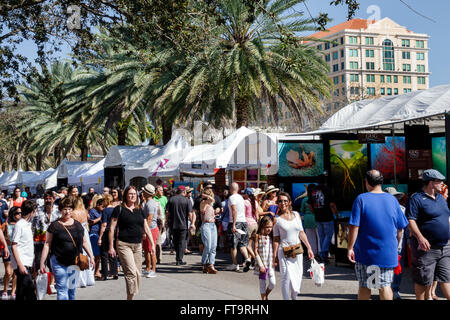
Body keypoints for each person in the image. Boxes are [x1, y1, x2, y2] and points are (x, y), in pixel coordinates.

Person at [347, 170, 409, 300]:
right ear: (381, 182)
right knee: (385, 286)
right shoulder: (392, 200)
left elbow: (354, 226)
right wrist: (395, 246)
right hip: (387, 252)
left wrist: (350, 248)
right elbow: (400, 229)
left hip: (365, 252)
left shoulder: (361, 199)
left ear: (367, 182)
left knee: (365, 285)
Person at [406, 169, 450, 300]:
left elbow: (446, 218)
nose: (442, 183)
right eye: (440, 181)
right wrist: (420, 238)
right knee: (423, 280)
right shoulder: (416, 198)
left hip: (445, 247)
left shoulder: (441, 198)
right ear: (431, 183)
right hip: (426, 249)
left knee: (446, 278)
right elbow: (410, 220)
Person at [39, 197, 95, 300]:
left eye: (69, 209)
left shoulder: (78, 225)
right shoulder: (54, 226)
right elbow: (47, 244)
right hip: (58, 262)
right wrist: (42, 263)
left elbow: (84, 242)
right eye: (65, 209)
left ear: (72, 210)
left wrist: (91, 257)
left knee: (72, 291)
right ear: (60, 210)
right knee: (62, 289)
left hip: (74, 262)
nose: (67, 211)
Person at [108, 186, 155, 300]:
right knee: (131, 273)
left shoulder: (139, 210)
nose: (133, 196)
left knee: (138, 273)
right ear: (125, 196)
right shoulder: (119, 209)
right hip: (124, 245)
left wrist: (152, 243)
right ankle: (130, 298)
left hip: (137, 245)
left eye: (134, 194)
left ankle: (131, 295)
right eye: (130, 194)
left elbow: (146, 227)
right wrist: (111, 247)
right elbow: (111, 228)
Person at [273, 192, 314, 300]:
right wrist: (274, 255)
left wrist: (309, 248)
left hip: (296, 250)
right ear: (278, 203)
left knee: (298, 275)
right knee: (286, 277)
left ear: (289, 202)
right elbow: (276, 239)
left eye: (285, 201)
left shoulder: (296, 215)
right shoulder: (276, 220)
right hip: (284, 251)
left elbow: (301, 232)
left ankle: (294, 297)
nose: (283, 203)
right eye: (280, 201)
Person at [31, 190, 60, 294]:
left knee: (53, 264)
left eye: (50, 198)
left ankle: (51, 284)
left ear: (54, 199)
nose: (48, 200)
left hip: (54, 242)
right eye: (46, 198)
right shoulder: (38, 211)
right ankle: (39, 285)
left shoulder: (58, 210)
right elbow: (32, 227)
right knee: (39, 264)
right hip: (39, 242)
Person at [10, 200, 37, 300]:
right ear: (32, 212)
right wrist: (20, 265)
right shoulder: (19, 225)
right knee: (30, 290)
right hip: (21, 263)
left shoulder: (27, 224)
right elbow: (14, 246)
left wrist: (32, 262)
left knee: (21, 291)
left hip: (27, 262)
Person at [428, 183, 449, 300]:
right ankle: (430, 293)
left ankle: (432, 292)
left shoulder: (444, 205)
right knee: (432, 271)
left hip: (444, 244)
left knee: (438, 272)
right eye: (446, 193)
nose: (447, 195)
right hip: (434, 245)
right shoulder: (438, 205)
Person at [308, 183, 338, 264]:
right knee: (328, 235)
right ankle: (322, 254)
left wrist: (315, 212)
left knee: (322, 236)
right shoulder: (327, 189)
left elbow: (309, 205)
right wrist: (336, 214)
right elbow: (332, 204)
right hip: (327, 216)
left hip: (318, 217)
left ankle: (323, 256)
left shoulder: (313, 191)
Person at [226, 182, 252, 272]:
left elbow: (234, 211)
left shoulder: (232, 198)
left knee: (233, 245)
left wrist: (233, 224)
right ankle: (247, 259)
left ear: (230, 189)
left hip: (235, 222)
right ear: (237, 189)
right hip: (243, 221)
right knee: (242, 244)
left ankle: (235, 264)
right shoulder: (241, 197)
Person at [167, 186, 195, 266]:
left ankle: (178, 257)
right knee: (182, 242)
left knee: (175, 241)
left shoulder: (171, 199)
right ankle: (179, 259)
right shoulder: (187, 200)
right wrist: (192, 223)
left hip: (173, 224)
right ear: (184, 192)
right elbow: (190, 214)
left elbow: (167, 212)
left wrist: (167, 221)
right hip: (183, 225)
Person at [141, 184, 160, 278]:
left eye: (144, 191)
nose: (142, 192)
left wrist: (145, 231)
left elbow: (149, 218)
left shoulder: (150, 203)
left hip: (151, 229)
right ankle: (148, 268)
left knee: (151, 250)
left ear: (147, 193)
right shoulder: (148, 202)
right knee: (146, 250)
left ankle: (153, 270)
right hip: (150, 228)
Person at [98, 194, 118, 281]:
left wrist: (100, 237)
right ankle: (114, 272)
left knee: (104, 253)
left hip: (107, 232)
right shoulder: (115, 210)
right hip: (115, 233)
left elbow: (104, 224)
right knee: (113, 252)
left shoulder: (105, 211)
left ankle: (105, 274)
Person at [254, 215, 275, 300]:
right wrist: (260, 265)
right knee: (262, 284)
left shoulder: (271, 237)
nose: (269, 229)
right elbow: (255, 251)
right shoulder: (258, 236)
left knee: (273, 283)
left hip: (270, 264)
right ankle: (263, 299)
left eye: (271, 227)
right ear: (262, 226)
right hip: (262, 264)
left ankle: (265, 295)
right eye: (267, 227)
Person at [1, 207, 20, 300]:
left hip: (18, 250)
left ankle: (13, 291)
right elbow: (1, 235)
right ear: (13, 214)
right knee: (8, 272)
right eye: (18, 213)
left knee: (15, 273)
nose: (20, 215)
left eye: (21, 213)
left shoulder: (21, 225)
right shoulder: (6, 224)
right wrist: (4, 246)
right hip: (7, 250)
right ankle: (5, 290)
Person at [199, 189, 219, 274]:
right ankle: (204, 263)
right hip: (206, 225)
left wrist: (216, 211)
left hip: (212, 225)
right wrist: (206, 196)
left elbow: (213, 201)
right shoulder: (203, 203)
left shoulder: (211, 205)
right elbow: (212, 200)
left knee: (214, 246)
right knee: (208, 245)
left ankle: (211, 265)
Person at [300, 184, 320, 256]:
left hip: (307, 219)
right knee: (319, 237)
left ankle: (313, 253)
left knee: (310, 238)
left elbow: (302, 210)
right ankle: (320, 253)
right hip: (316, 218)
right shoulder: (317, 198)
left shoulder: (304, 200)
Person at [243, 188, 259, 269]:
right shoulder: (255, 202)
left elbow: (243, 214)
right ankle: (249, 260)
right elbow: (257, 214)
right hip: (255, 224)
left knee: (246, 245)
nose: (243, 195)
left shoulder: (245, 202)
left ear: (247, 194)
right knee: (250, 244)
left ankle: (256, 260)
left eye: (244, 193)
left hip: (248, 224)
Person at [88, 197, 104, 279]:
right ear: (98, 205)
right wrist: (100, 218)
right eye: (102, 206)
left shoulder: (101, 211)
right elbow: (90, 222)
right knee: (95, 254)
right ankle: (94, 272)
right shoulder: (92, 211)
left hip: (99, 234)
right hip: (93, 234)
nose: (103, 208)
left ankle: (96, 271)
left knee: (98, 255)